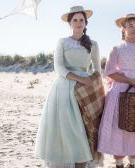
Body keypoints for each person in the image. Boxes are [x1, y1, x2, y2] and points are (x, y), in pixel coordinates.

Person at [35, 6, 101, 168]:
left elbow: (97, 69)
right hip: (63, 88)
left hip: (85, 89)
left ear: (86, 23)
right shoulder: (62, 42)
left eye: (81, 20)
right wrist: (78, 78)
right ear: (69, 23)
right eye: (75, 20)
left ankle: (83, 161)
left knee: (85, 125)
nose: (78, 23)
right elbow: (59, 67)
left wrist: (90, 81)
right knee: (68, 126)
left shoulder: (92, 43)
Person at [97, 13, 135, 168]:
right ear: (123, 29)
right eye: (130, 26)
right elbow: (110, 71)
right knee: (119, 125)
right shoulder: (116, 48)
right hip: (120, 90)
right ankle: (119, 163)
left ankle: (132, 163)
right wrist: (130, 81)